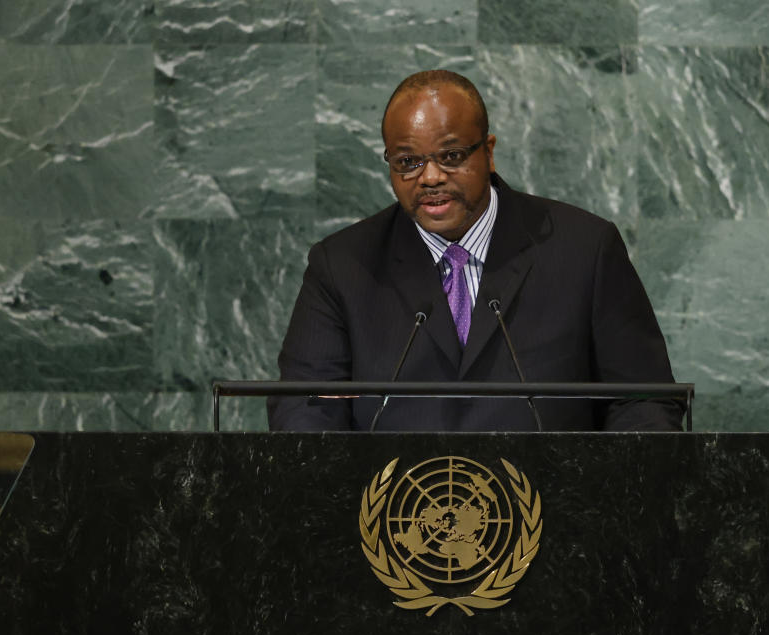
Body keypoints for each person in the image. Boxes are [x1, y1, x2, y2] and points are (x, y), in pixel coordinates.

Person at [268, 70, 683, 432]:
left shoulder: (585, 250)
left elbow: (643, 400)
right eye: (407, 162)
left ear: (489, 152)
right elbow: (306, 409)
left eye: (450, 156)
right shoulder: (342, 266)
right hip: (393, 517)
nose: (429, 177)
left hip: (558, 512)